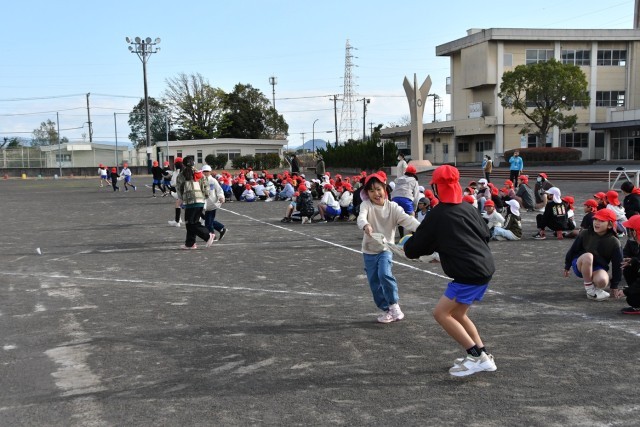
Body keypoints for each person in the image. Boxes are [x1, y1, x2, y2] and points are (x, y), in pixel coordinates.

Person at [403, 165, 497, 377]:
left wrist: (411, 247)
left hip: (468, 273)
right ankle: (483, 355)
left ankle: (475, 357)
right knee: (458, 314)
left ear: (437, 188)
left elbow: (413, 249)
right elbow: (485, 234)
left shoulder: (438, 214)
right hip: (484, 268)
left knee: (441, 313)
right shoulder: (468, 208)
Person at [357, 172, 420, 323]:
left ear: (385, 188)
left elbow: (408, 220)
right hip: (369, 251)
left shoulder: (393, 207)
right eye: (371, 191)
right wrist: (365, 225)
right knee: (374, 283)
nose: (376, 193)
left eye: (378, 189)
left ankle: (394, 304)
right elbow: (361, 217)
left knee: (384, 274)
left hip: (385, 249)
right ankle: (387, 310)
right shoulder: (366, 205)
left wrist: (424, 229)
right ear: (367, 193)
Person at [563, 208, 623, 301]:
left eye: (601, 221)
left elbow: (617, 264)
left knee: (602, 281)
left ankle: (603, 279)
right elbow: (573, 250)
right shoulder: (585, 233)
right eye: (595, 219)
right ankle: (590, 290)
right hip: (580, 264)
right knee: (588, 256)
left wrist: (614, 286)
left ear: (610, 225)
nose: (596, 223)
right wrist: (567, 265)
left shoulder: (614, 242)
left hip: (597, 267)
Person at [175, 156, 215, 250]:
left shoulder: (181, 175)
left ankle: (208, 235)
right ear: (193, 163)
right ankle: (190, 244)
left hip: (190, 202)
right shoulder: (199, 173)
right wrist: (205, 196)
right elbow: (206, 186)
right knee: (192, 223)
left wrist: (181, 198)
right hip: (200, 200)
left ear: (183, 164)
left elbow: (179, 189)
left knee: (191, 223)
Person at [390, 164, 420, 237]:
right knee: (411, 217)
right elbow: (416, 195)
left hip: (394, 198)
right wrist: (414, 208)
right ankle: (413, 236)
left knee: (399, 217)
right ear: (414, 174)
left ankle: (401, 236)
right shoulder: (414, 181)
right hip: (406, 198)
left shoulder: (399, 179)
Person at [202, 165, 228, 241]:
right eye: (204, 171)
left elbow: (219, 190)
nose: (206, 173)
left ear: (210, 172)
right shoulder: (200, 180)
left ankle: (212, 235)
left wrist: (221, 197)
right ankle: (221, 228)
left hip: (212, 203)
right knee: (208, 220)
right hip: (205, 204)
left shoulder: (213, 180)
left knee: (208, 222)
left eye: (207, 171)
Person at [620, 215, 640, 314]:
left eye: (631, 229)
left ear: (635, 232)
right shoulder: (632, 242)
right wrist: (632, 260)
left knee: (632, 299)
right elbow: (626, 254)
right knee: (629, 267)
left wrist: (626, 291)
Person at [168, 157, 184, 227]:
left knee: (179, 204)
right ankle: (178, 219)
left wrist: (170, 182)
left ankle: (177, 221)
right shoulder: (186, 170)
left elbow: (174, 183)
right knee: (179, 204)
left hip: (180, 191)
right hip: (188, 190)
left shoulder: (176, 172)